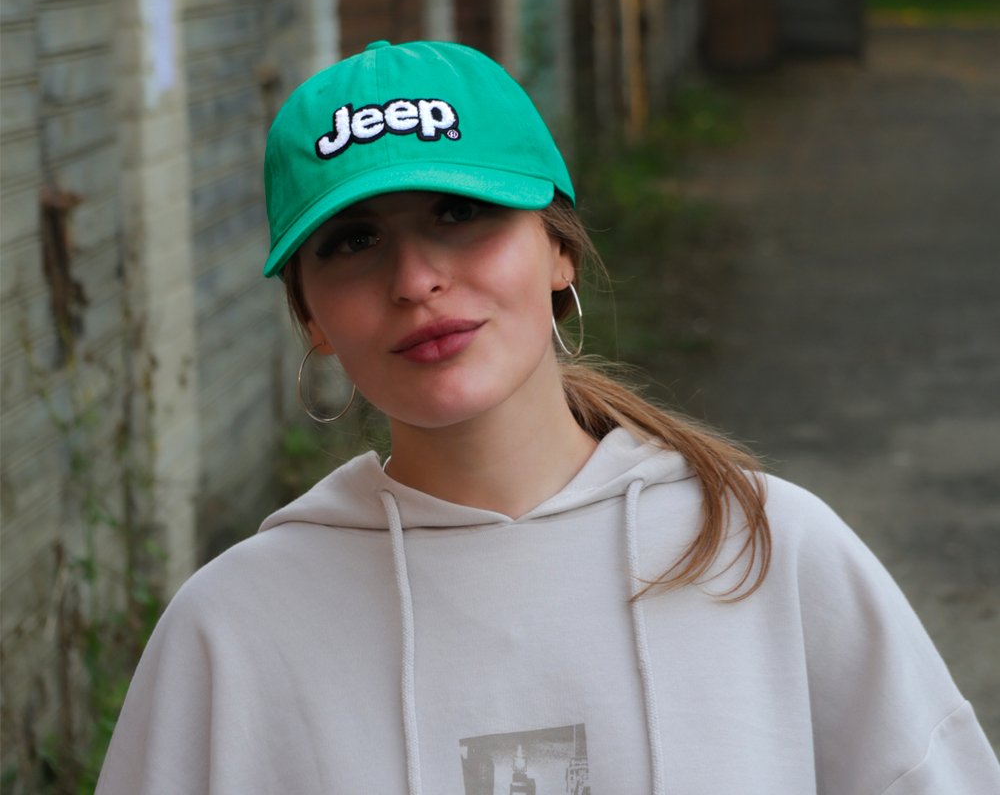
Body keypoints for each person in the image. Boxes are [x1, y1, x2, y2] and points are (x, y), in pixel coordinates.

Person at [97, 40, 999, 794]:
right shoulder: (232, 632)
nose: (415, 280)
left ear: (558, 248)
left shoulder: (763, 551)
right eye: (353, 241)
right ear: (312, 318)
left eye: (459, 211)